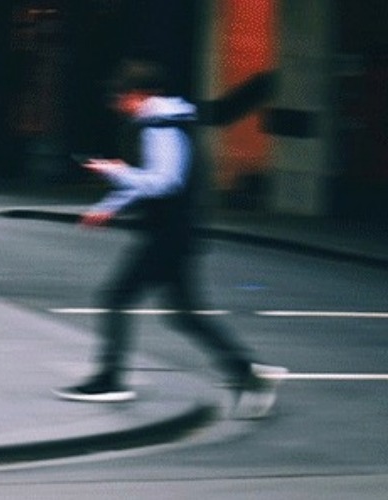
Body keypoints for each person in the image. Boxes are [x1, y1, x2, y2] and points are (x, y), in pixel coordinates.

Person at [53, 60, 284, 419]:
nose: (118, 107)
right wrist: (108, 207)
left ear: (137, 95)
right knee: (184, 315)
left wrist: (115, 172)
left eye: (121, 99)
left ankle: (110, 379)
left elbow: (163, 181)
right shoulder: (165, 120)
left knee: (117, 297)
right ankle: (247, 374)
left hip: (169, 235)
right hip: (175, 233)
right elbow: (151, 181)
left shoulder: (159, 125)